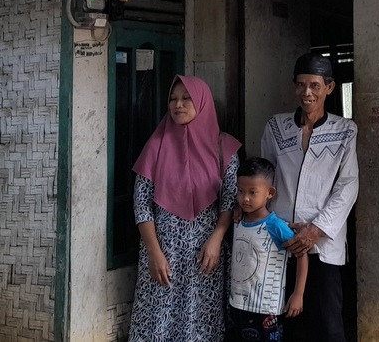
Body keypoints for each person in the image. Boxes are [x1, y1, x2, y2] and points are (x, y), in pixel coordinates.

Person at [130, 75, 241, 342]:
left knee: (199, 324)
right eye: (172, 99)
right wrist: (154, 253)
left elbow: (229, 201)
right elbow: (141, 203)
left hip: (205, 255)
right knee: (157, 322)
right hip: (163, 253)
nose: (177, 105)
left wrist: (216, 240)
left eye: (186, 98)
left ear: (202, 102)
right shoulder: (156, 145)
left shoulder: (224, 147)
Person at [260, 52, 359, 342]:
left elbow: (348, 185)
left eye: (315, 85)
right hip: (281, 238)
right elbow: (265, 176)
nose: (307, 93)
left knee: (328, 325)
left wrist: (315, 230)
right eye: (301, 85)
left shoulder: (344, 131)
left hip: (323, 244)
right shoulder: (276, 127)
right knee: (284, 322)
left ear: (329, 87)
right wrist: (254, 210)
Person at [226, 157, 308, 342]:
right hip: (238, 305)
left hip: (266, 309)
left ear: (270, 193)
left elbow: (302, 255)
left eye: (252, 192)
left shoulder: (276, 225)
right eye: (240, 191)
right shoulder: (238, 221)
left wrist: (298, 294)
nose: (245, 198)